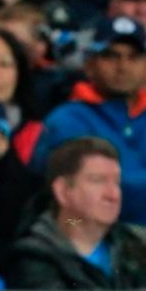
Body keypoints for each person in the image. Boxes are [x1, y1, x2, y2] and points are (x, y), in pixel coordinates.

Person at [30, 17, 146, 225]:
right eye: (111, 56)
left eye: (134, 57)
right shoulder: (67, 119)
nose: (123, 66)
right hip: (81, 230)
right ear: (90, 64)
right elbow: (88, 195)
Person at [5, 138, 146, 289]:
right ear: (63, 191)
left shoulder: (137, 246)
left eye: (117, 183)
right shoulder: (32, 258)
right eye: (98, 180)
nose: (113, 195)